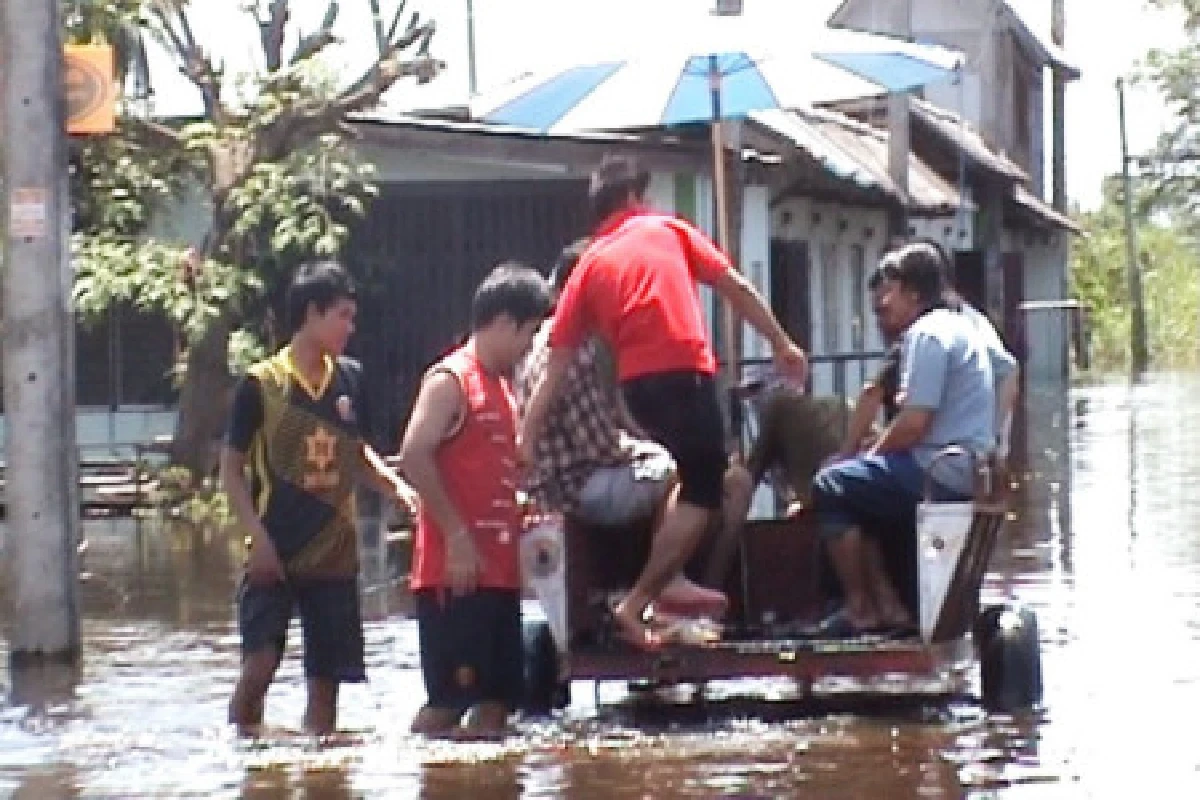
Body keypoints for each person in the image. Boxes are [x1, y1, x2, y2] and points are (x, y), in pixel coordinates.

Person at [519, 154, 808, 650]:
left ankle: (666, 585)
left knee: (690, 476)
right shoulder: (668, 228)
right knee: (706, 484)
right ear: (634, 197)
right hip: (682, 372)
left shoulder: (590, 263)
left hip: (640, 387)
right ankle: (646, 597)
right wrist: (781, 342)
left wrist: (525, 436)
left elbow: (556, 364)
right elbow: (733, 287)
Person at [221, 261, 418, 737]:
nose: (350, 327)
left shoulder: (349, 379)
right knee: (260, 667)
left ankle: (321, 775)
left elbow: (356, 452)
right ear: (311, 314)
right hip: (275, 550)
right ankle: (243, 762)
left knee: (326, 682)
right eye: (342, 316)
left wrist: (398, 488)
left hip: (333, 553)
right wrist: (257, 538)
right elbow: (230, 468)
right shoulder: (262, 385)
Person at [515, 239, 729, 622]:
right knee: (679, 473)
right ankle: (668, 583)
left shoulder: (548, 341)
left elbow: (612, 421)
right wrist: (652, 450)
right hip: (574, 485)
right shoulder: (573, 352)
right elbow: (601, 445)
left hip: (565, 477)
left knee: (675, 465)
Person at [809, 242, 998, 638]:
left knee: (832, 484)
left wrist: (864, 457)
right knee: (862, 485)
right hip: (962, 467)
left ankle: (860, 609)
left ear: (914, 293)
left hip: (940, 471)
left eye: (889, 289)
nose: (881, 299)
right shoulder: (960, 326)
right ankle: (889, 605)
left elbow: (914, 423)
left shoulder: (927, 334)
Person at [399, 263, 552, 738]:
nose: (530, 348)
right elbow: (413, 455)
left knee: (497, 706)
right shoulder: (450, 380)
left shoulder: (505, 388)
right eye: (528, 334)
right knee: (448, 703)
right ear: (504, 321)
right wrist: (458, 536)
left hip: (500, 577)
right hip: (456, 577)